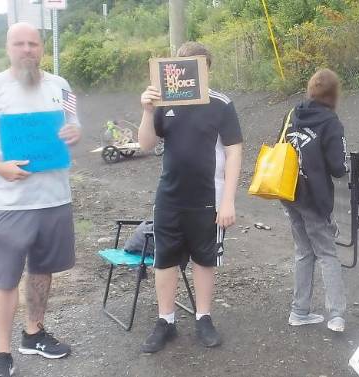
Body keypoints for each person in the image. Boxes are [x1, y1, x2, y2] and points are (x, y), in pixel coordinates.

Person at [0, 22, 82, 377]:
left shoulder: (62, 86)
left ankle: (34, 333)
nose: (27, 49)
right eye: (20, 43)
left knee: (42, 270)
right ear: (8, 47)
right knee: (5, 278)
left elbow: (74, 125)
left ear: (42, 47)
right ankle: (1, 353)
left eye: (33, 43)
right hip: (11, 202)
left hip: (55, 199)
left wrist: (75, 132)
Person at [138, 41, 242, 353]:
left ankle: (203, 317)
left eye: (197, 67)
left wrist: (229, 200)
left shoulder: (220, 103)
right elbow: (144, 144)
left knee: (204, 258)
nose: (189, 74)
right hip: (169, 195)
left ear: (206, 70)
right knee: (165, 259)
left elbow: (235, 150)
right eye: (183, 67)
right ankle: (165, 320)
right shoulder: (163, 101)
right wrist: (146, 110)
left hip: (209, 197)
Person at [282, 68, 349, 332]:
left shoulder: (293, 113)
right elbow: (337, 167)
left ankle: (299, 311)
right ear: (333, 94)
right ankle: (336, 315)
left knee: (303, 252)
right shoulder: (331, 122)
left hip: (289, 193)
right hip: (315, 197)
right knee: (327, 253)